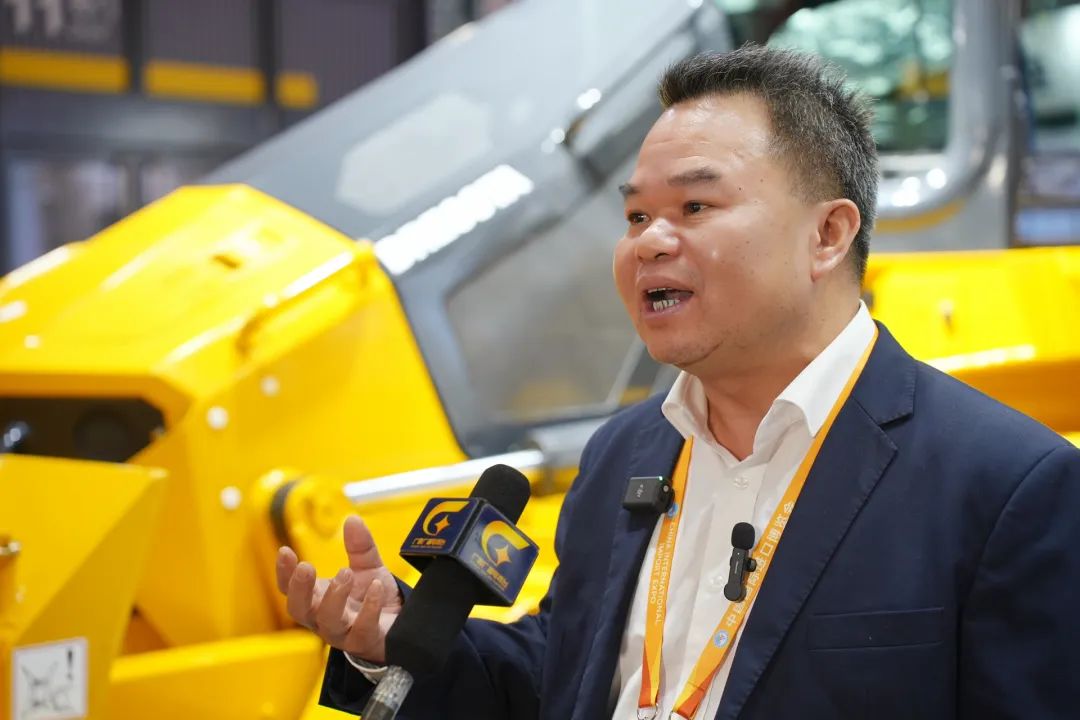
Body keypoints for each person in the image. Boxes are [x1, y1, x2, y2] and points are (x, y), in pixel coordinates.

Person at [276, 46, 1080, 719]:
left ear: (829, 234)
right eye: (635, 216)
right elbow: (563, 675)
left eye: (695, 206)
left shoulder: (1007, 488)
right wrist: (394, 642)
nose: (649, 243)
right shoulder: (624, 454)